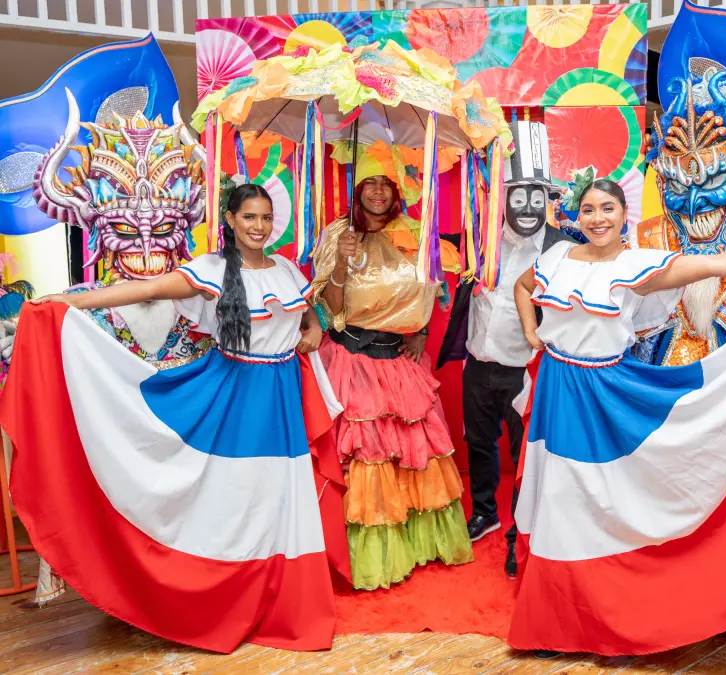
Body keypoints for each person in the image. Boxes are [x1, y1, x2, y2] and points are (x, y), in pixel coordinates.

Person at [508, 179, 726, 659]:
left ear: (622, 213)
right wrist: (532, 332)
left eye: (607, 208)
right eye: (588, 209)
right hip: (555, 389)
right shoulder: (557, 258)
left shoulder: (637, 265)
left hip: (603, 395)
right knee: (557, 500)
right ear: (577, 216)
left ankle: (598, 611)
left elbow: (715, 263)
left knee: (590, 501)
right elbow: (522, 286)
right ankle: (553, 617)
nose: (597, 218)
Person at [4, 184, 344, 653]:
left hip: (281, 398)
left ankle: (281, 600)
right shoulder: (212, 269)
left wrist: (312, 330)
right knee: (238, 498)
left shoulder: (287, 270)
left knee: (280, 498)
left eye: (265, 218)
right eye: (249, 217)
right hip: (233, 398)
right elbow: (146, 289)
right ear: (230, 219)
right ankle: (222, 598)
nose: (259, 227)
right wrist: (72, 303)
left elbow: (308, 315)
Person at [311, 172, 473, 591]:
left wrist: (419, 331)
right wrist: (343, 260)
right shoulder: (337, 233)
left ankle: (414, 545)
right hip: (350, 358)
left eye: (387, 183)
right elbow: (329, 309)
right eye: (370, 183)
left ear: (397, 192)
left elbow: (429, 289)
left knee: (413, 452)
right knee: (367, 456)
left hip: (396, 360)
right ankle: (364, 554)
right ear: (357, 190)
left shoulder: (413, 233)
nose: (379, 192)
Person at [438, 121, 574, 578]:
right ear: (503, 196)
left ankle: (521, 533)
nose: (528, 206)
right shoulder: (480, 236)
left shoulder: (562, 249)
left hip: (527, 371)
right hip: (479, 364)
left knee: (525, 455)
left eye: (537, 196)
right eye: (518, 195)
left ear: (548, 199)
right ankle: (484, 511)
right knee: (478, 442)